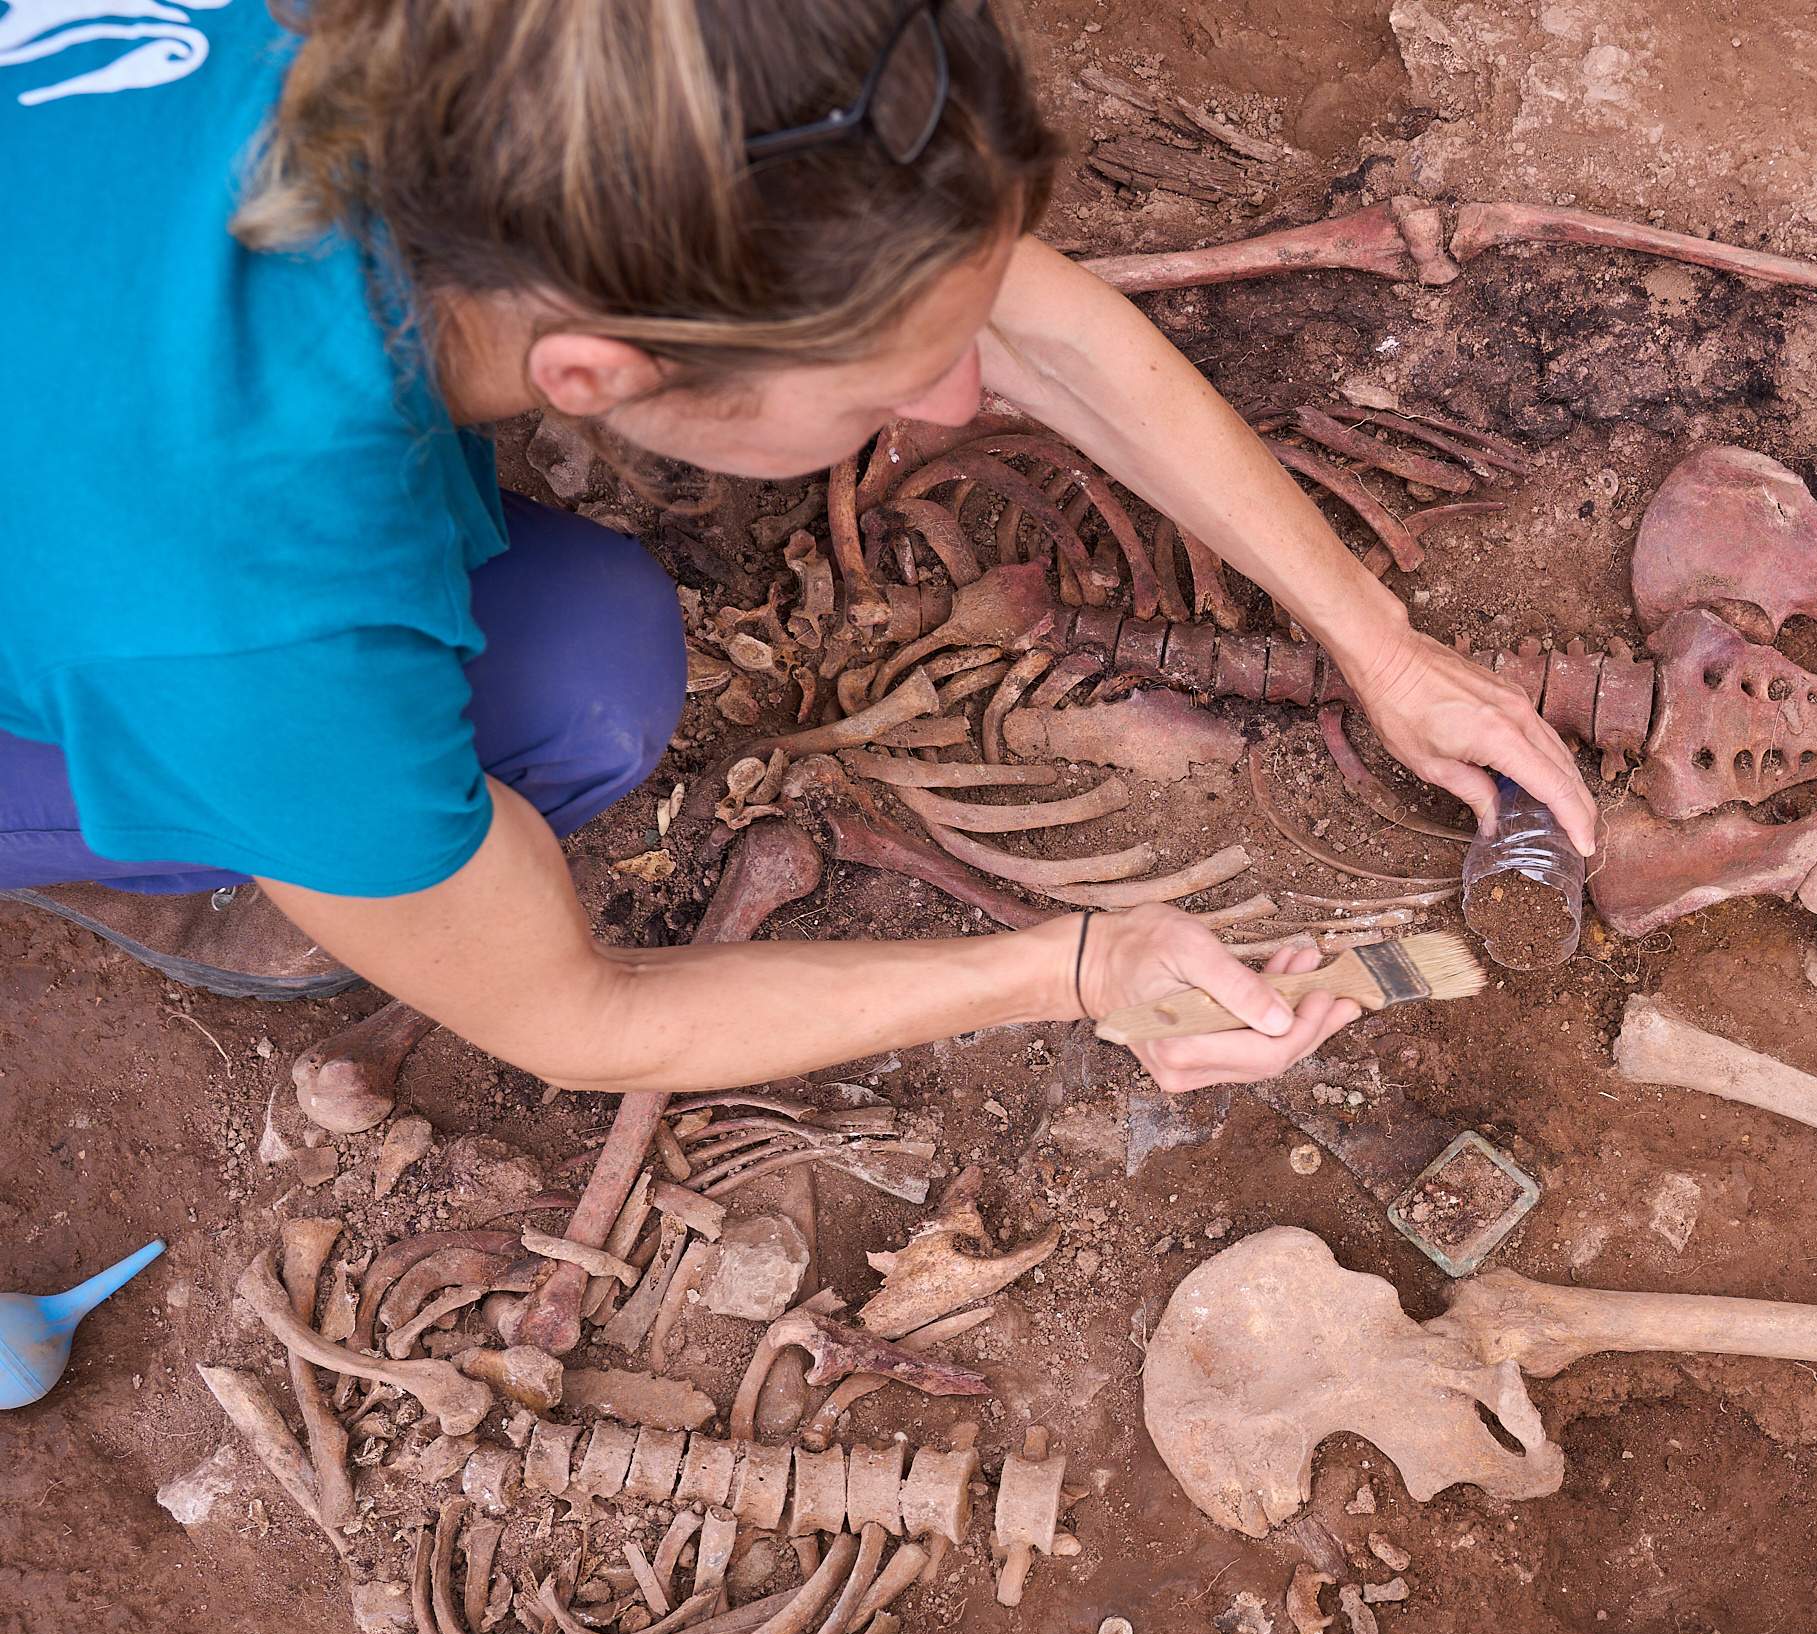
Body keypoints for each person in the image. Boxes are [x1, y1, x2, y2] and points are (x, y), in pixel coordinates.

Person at [0, 0, 1595, 1094]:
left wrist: (1377, 643)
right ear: (597, 378)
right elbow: (574, 1018)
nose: (969, 400)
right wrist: (1073, 970)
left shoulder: (538, 48)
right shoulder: (236, 631)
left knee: (587, 646)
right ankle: (190, 841)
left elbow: (1024, 320)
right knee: (566, 699)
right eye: (901, 382)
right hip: (123, 567)